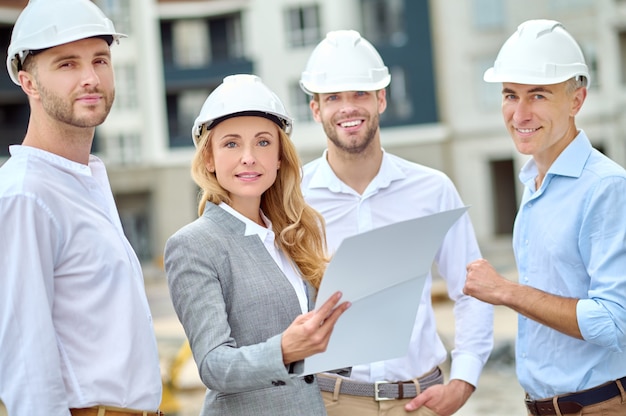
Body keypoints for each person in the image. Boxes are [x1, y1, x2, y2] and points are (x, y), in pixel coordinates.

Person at [299, 30, 494, 416]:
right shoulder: (294, 198)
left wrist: (464, 380)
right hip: (328, 401)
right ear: (315, 109)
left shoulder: (432, 189)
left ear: (381, 99)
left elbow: (472, 289)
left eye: (359, 94)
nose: (347, 108)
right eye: (333, 97)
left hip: (419, 400)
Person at [0, 0, 163, 415]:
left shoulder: (82, 180)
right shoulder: (26, 195)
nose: (91, 78)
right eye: (67, 64)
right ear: (28, 82)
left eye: (100, 60)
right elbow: (25, 364)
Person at [464, 19, 626, 416]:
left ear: (576, 100)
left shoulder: (606, 188)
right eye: (509, 95)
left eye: (537, 95)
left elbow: (614, 321)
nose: (519, 114)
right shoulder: (535, 182)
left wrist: (506, 291)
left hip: (599, 406)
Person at [164, 74, 351, 416]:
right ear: (209, 158)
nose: (249, 157)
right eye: (231, 144)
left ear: (280, 157)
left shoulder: (292, 237)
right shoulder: (193, 245)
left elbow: (312, 358)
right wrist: (283, 349)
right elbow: (213, 365)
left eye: (263, 142)